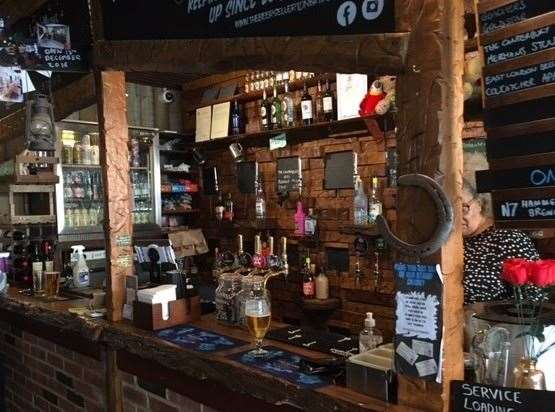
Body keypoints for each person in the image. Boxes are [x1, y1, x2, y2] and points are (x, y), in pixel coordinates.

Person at [462, 179, 540, 304]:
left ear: (479, 203)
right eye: (446, 210)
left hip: (492, 321)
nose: (454, 216)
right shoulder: (440, 240)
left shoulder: (509, 238)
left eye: (463, 208)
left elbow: (534, 299)